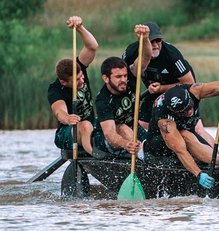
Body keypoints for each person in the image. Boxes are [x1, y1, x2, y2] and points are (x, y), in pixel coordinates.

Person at [142, 57, 219, 189]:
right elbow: (180, 150)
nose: (189, 112)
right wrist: (199, 174)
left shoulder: (194, 90)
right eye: (184, 111)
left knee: (190, 136)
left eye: (190, 107)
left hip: (185, 135)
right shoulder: (165, 120)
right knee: (186, 135)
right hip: (157, 145)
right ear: (174, 111)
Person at [122, 22, 213, 145]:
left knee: (197, 129)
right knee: (142, 125)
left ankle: (216, 157)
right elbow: (123, 75)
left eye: (158, 41)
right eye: (151, 41)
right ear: (142, 42)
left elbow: (190, 83)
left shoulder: (171, 54)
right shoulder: (131, 51)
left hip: (181, 92)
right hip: (153, 92)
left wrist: (161, 88)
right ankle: (145, 153)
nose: (155, 45)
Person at [94, 25, 152, 158]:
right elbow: (110, 134)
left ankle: (149, 155)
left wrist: (145, 39)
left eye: (125, 76)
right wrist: (127, 144)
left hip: (134, 128)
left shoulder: (131, 77)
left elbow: (146, 56)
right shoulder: (103, 100)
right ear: (106, 78)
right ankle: (144, 156)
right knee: (122, 127)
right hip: (107, 139)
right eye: (118, 77)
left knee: (154, 140)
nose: (124, 80)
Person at [48, 16, 98, 155]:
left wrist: (80, 27)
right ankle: (93, 154)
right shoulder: (55, 89)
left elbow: (92, 47)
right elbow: (59, 112)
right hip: (66, 133)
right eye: (76, 80)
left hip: (90, 126)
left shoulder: (79, 66)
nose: (81, 80)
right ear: (64, 81)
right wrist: (68, 118)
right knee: (86, 125)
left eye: (81, 76)